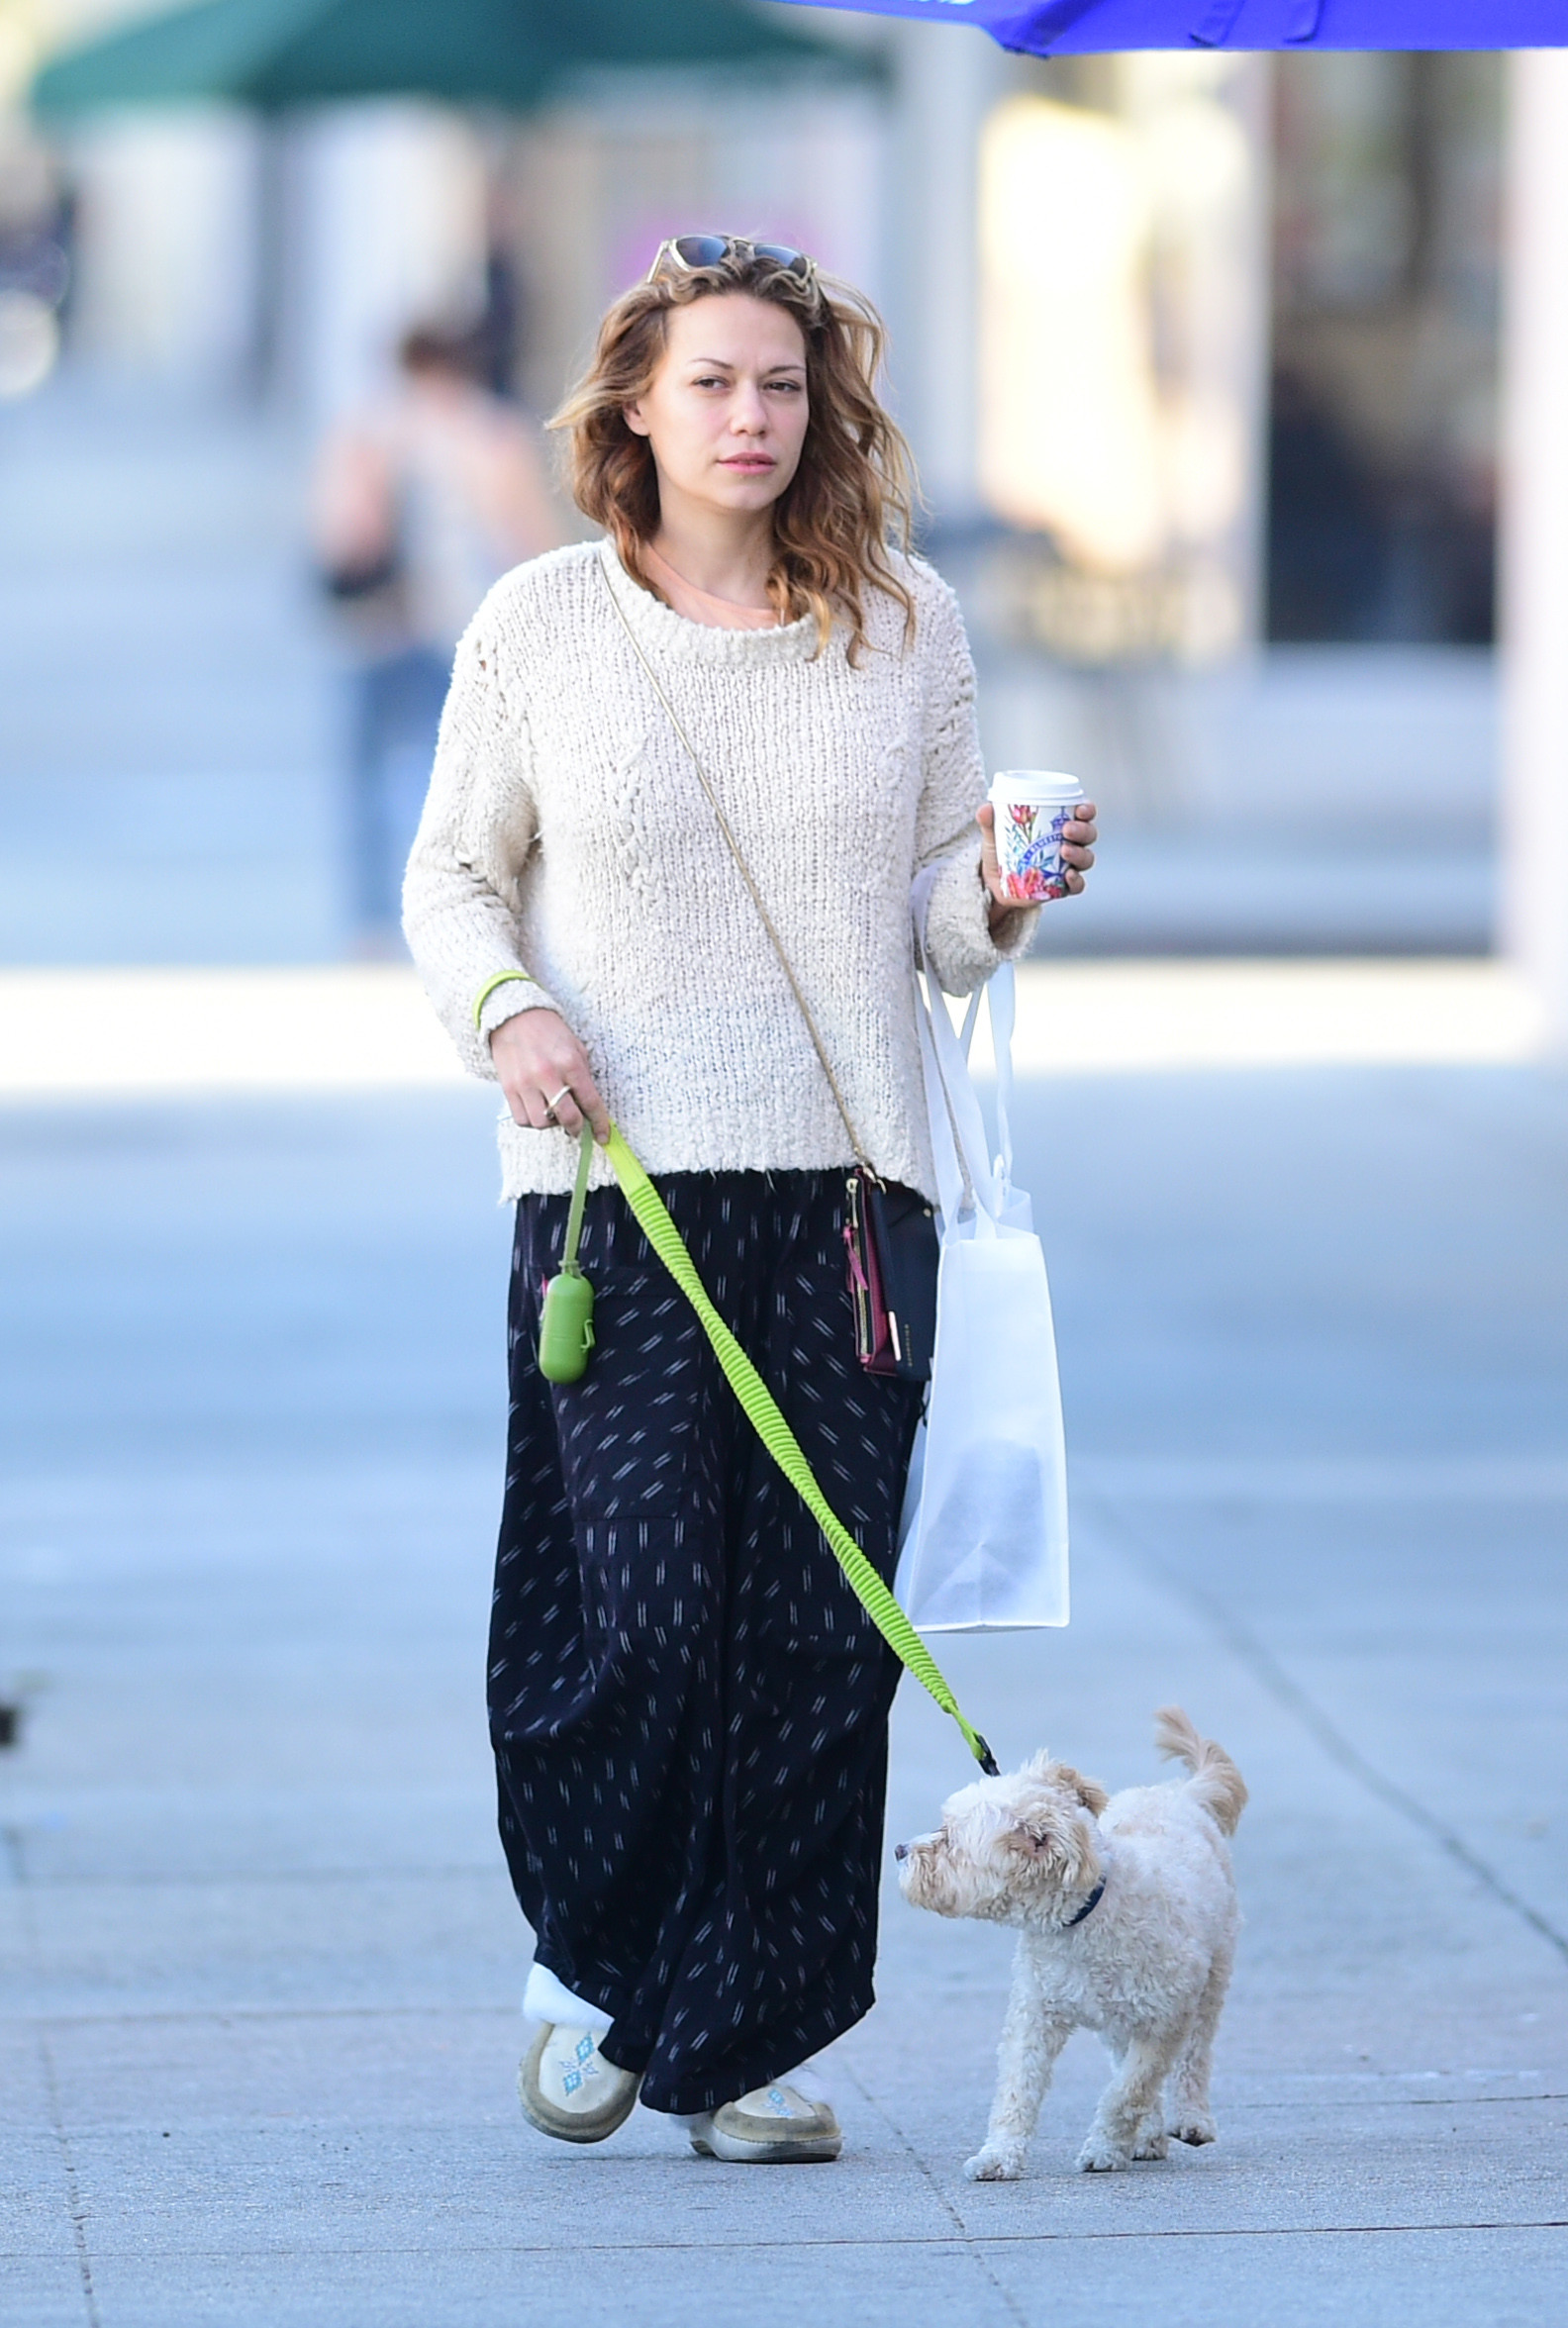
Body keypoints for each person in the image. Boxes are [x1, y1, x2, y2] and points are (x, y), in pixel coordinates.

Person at [403, 238, 1098, 2165]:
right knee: (629, 1617)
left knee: (811, 1639)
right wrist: (510, 1010)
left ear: (822, 408)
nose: (749, 416)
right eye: (709, 381)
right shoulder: (540, 623)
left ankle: (743, 2041)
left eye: (781, 383)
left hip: (852, 1198)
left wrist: (1007, 890)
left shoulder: (904, 622)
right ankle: (598, 1955)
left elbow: (934, 923)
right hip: (615, 1189)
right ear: (634, 405)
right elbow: (452, 875)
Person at [313, 324, 562, 948]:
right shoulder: (492, 433)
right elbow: (530, 542)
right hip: (465, 632)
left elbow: (343, 536)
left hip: (379, 631)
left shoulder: (372, 431)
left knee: (370, 779)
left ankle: (373, 924)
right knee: (462, 784)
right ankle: (457, 912)